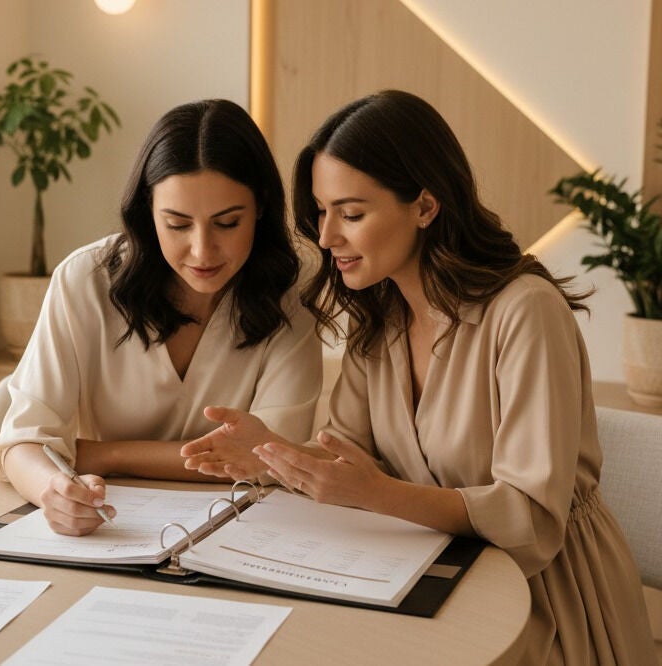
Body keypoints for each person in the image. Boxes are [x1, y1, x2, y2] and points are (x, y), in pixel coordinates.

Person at [180, 90, 656, 664]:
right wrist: (274, 455)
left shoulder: (526, 312)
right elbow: (352, 458)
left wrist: (379, 494)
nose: (327, 237)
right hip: (425, 572)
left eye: (351, 214)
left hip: (546, 595)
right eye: (322, 213)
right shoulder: (378, 320)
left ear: (425, 207)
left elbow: (530, 515)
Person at [0, 99, 322, 537]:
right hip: (115, 532)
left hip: (240, 533)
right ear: (148, 212)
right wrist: (56, 489)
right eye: (177, 224)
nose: (202, 251)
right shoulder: (85, 280)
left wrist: (106, 455)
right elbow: (20, 442)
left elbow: (269, 459)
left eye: (228, 223)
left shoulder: (293, 289)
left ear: (259, 208)